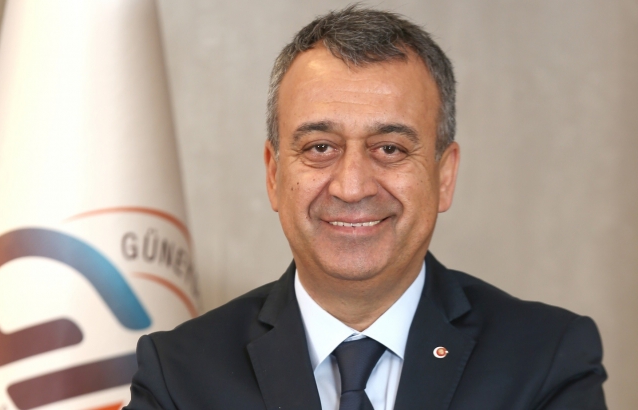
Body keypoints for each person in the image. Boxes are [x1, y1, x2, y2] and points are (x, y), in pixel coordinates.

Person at [124, 6, 607, 410]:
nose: (352, 187)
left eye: (390, 149)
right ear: (274, 175)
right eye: (319, 147)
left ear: (444, 176)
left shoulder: (546, 359)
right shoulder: (180, 376)